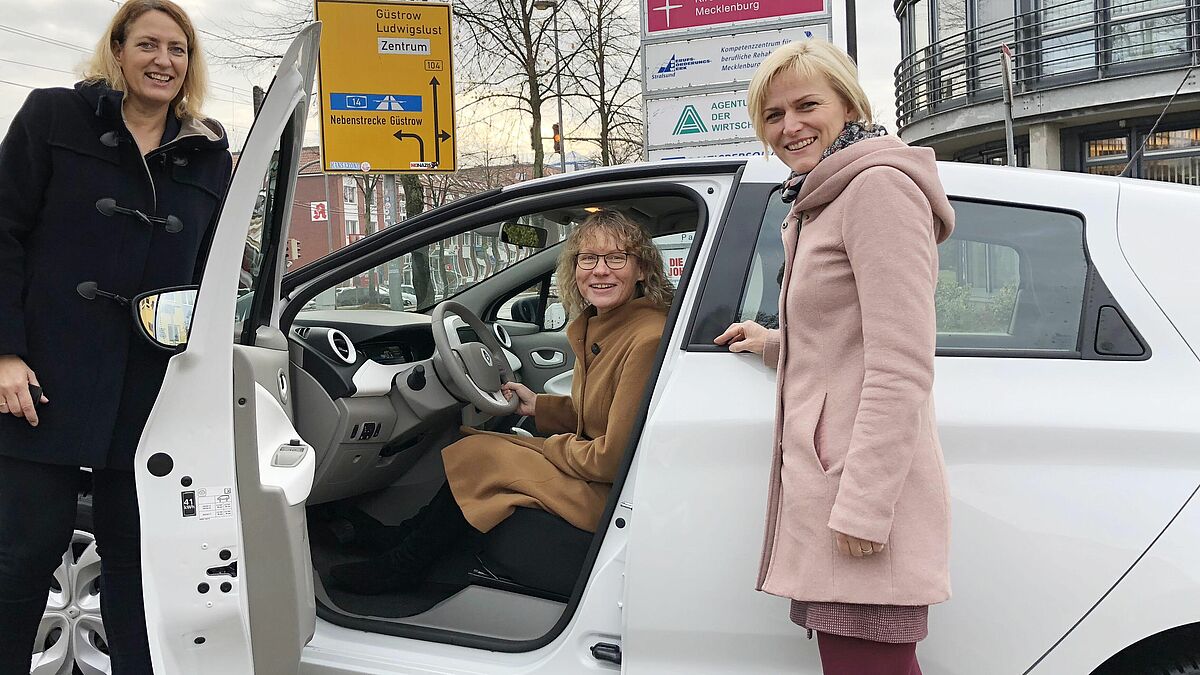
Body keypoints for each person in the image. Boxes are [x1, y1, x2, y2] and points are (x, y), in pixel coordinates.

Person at [0, 1, 231, 672]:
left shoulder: (208, 152)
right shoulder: (51, 117)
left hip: (149, 392)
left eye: (178, 49)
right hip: (40, 378)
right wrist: (5, 352)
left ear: (190, 65)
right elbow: (3, 232)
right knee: (20, 557)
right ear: (118, 51)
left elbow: (212, 273)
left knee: (141, 567)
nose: (164, 60)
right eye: (149, 45)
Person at [715, 39, 955, 675]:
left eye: (805, 105)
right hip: (833, 481)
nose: (789, 127)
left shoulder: (877, 189)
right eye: (772, 115)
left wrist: (866, 506)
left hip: (856, 490)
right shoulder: (823, 196)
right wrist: (775, 344)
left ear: (849, 104)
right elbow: (846, 332)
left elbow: (902, 364)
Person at [329, 210, 672, 594]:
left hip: (609, 492)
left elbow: (612, 458)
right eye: (587, 259)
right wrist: (537, 407)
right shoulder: (613, 325)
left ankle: (402, 566)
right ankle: (404, 541)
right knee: (482, 446)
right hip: (597, 471)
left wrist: (547, 446)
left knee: (483, 455)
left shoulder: (645, 339)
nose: (600, 271)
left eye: (616, 258)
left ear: (642, 269)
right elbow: (598, 413)